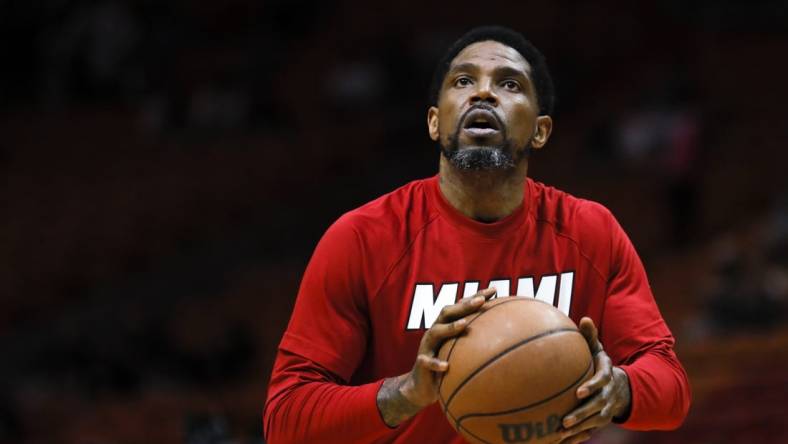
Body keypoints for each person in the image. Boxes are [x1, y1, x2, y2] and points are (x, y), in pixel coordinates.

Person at [263, 26, 691, 443]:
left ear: (540, 131)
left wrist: (617, 390)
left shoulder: (590, 231)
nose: (483, 93)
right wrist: (408, 393)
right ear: (434, 122)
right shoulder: (361, 239)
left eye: (509, 84)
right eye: (463, 80)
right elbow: (285, 420)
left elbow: (670, 389)